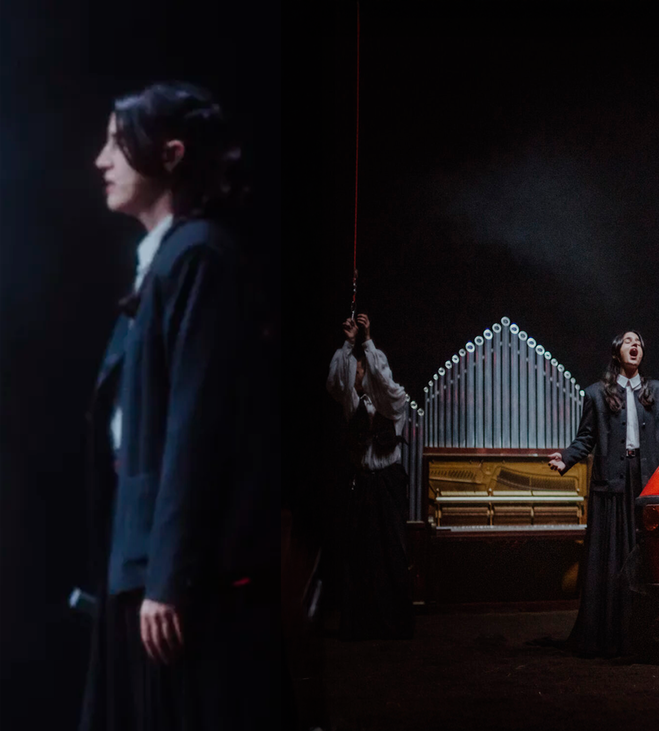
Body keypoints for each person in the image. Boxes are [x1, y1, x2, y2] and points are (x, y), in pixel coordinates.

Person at [80, 81, 278, 730]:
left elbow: (195, 430)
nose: (102, 160)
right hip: (139, 559)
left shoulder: (199, 256)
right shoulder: (168, 259)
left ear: (170, 155)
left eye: (117, 143)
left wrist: (168, 576)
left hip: (170, 575)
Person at [548, 331, 659, 656]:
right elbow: (586, 438)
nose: (635, 346)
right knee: (610, 558)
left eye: (639, 342)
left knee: (644, 557)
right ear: (616, 352)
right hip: (610, 483)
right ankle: (607, 635)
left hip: (646, 482)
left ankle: (642, 634)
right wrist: (566, 458)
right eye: (628, 341)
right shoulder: (596, 394)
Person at [325, 313, 415, 640]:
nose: (356, 372)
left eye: (360, 369)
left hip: (387, 483)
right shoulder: (351, 403)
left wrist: (367, 341)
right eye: (357, 368)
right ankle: (361, 624)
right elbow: (336, 382)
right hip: (362, 483)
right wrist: (349, 344)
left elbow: (385, 383)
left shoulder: (393, 404)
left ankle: (394, 623)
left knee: (391, 551)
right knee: (360, 553)